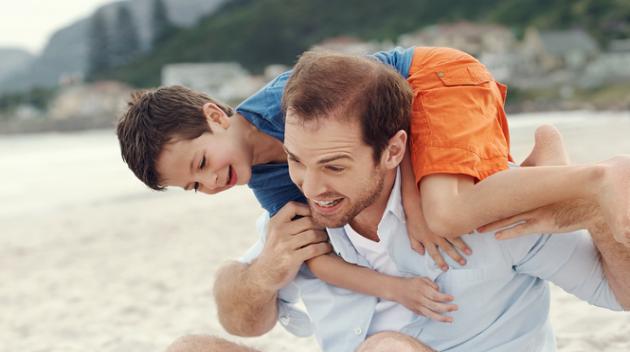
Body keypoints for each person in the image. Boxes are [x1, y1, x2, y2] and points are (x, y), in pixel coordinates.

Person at [107, 50, 630, 352]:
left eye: (334, 165)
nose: (313, 186)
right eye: (295, 162)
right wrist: (265, 271)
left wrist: (592, 214)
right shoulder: (301, 207)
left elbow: (618, 291)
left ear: (394, 150)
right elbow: (238, 315)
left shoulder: (481, 204)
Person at [116, 46, 629, 322]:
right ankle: (546, 165)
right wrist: (393, 288)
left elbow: (388, 100)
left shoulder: (288, 102)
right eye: (193, 186)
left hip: (433, 82)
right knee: (463, 209)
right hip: (413, 114)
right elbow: (317, 256)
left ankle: (602, 174)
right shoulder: (272, 183)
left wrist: (412, 194)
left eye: (202, 162)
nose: (210, 182)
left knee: (445, 214)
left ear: (215, 115)